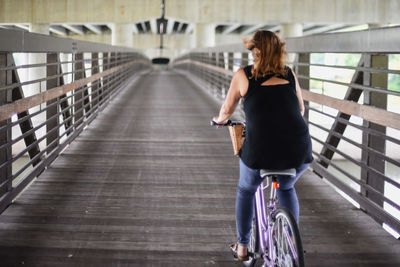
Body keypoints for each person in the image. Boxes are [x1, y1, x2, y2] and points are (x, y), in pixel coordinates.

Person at [212, 30, 313, 261]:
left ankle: (243, 247)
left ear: (254, 51)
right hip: (298, 148)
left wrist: (219, 121)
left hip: (261, 150)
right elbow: (300, 110)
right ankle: (290, 243)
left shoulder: (243, 75)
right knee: (286, 187)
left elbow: (226, 110)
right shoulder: (289, 74)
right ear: (280, 51)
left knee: (246, 190)